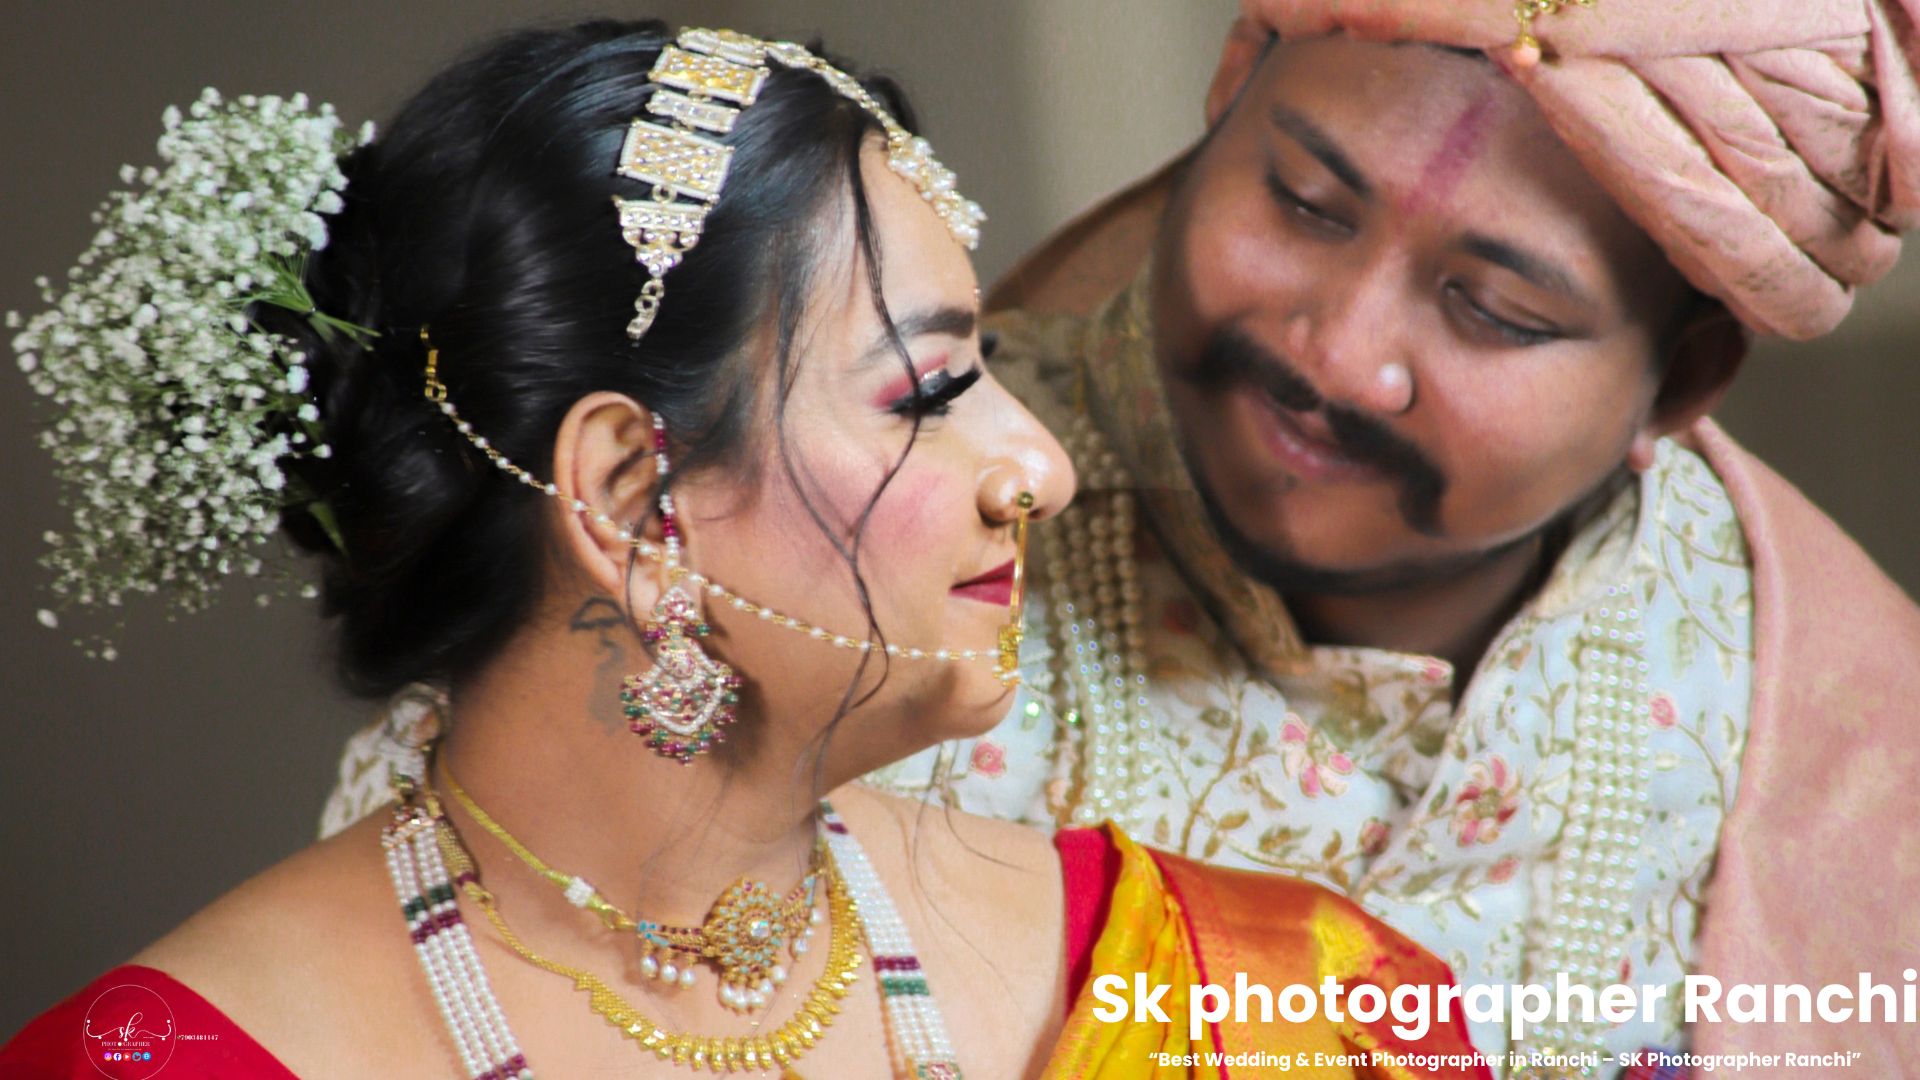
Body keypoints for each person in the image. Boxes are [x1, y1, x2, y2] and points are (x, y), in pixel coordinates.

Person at [0, 20, 1487, 1079]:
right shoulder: (178, 1057)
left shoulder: (1262, 1002)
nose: (1040, 468)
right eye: (928, 393)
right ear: (629, 498)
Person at [849, 0, 1916, 1071]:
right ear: (1232, 83)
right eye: (1305, 204)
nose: (1342, 357)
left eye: (1494, 308)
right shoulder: (857, 549)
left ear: (1681, 380)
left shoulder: (1827, 727)